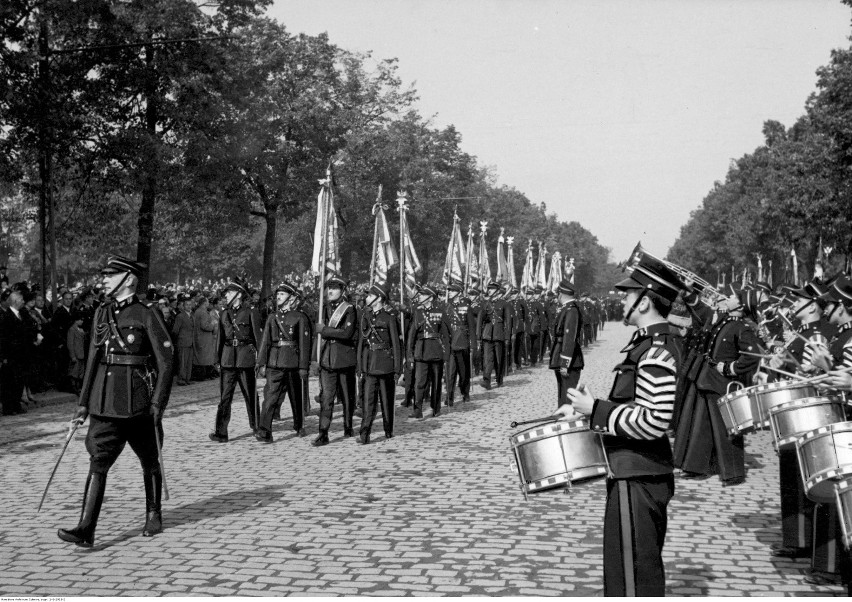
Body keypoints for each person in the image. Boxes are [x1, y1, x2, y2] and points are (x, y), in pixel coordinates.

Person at [556, 254, 683, 596]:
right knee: (628, 569)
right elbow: (635, 407)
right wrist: (586, 410)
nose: (623, 300)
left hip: (639, 476)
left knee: (633, 575)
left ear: (645, 301)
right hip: (632, 471)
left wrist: (596, 409)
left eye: (629, 295)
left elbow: (655, 420)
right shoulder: (647, 345)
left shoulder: (655, 351)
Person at [57, 255, 174, 547]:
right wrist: (83, 404)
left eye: (111, 275)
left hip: (138, 404)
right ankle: (86, 528)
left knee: (149, 459)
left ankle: (153, 513)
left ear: (129, 279)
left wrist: (158, 403)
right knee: (98, 461)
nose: (104, 280)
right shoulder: (102, 313)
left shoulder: (147, 313)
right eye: (105, 275)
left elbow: (167, 361)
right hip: (105, 402)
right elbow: (94, 360)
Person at [672, 286, 760, 485]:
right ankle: (698, 467)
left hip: (721, 382)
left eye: (732, 296)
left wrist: (730, 368)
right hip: (707, 378)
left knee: (724, 430)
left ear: (741, 304)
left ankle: (732, 472)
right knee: (701, 426)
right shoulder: (725, 320)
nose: (727, 298)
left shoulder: (742, 328)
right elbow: (703, 314)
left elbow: (752, 356)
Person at [255, 282, 311, 443]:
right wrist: (261, 363)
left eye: (282, 294)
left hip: (293, 362)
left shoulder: (300, 317)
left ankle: (299, 425)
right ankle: (265, 431)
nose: (278, 297)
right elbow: (265, 340)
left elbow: (304, 344)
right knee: (270, 397)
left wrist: (303, 366)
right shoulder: (273, 317)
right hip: (275, 362)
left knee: (295, 397)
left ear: (291, 298)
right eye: (278, 294)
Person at [209, 277, 262, 443]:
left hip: (245, 358)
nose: (226, 295)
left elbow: (258, 338)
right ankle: (221, 432)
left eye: (230, 292)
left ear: (238, 294)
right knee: (225, 397)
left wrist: (260, 361)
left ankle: (257, 427)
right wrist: (217, 359)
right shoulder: (225, 313)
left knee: (250, 395)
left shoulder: (250, 312)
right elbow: (220, 338)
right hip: (227, 359)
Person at [313, 276, 358, 446]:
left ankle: (348, 426)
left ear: (343, 291)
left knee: (347, 396)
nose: (330, 291)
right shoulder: (323, 309)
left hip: (344, 357)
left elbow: (346, 334)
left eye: (334, 288)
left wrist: (325, 330)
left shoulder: (350, 310)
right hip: (327, 359)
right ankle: (323, 432)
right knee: (326, 398)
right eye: (328, 288)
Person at [357, 282, 401, 443]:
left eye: (369, 295)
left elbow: (396, 344)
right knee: (368, 402)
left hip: (385, 364)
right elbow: (361, 343)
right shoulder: (366, 317)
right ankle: (364, 433)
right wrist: (359, 365)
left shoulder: (389, 318)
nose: (367, 298)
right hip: (369, 364)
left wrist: (397, 368)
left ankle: (388, 429)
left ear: (379, 298)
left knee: (387, 400)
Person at [408, 285, 449, 419]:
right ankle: (417, 409)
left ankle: (436, 408)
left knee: (436, 382)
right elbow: (411, 335)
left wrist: (447, 354)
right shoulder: (417, 312)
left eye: (423, 294)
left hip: (436, 351)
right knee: (419, 382)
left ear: (430, 297)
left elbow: (445, 335)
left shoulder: (440, 312)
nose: (420, 296)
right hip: (421, 351)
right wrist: (410, 354)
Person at [550, 279, 583, 407]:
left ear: (561, 294)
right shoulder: (567, 308)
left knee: (568, 393)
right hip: (561, 353)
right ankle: (562, 417)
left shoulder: (571, 310)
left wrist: (565, 363)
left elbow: (569, 337)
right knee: (562, 392)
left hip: (570, 359)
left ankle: (567, 421)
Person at [445, 281, 475, 406]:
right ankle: (449, 396)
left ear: (458, 292)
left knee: (463, 372)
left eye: (452, 290)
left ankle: (465, 392)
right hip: (451, 342)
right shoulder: (446, 306)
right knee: (450, 372)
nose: (449, 292)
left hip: (463, 342)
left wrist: (473, 344)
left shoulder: (466, 306)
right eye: (449, 290)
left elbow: (472, 327)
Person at [477, 282, 510, 390]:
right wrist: (478, 336)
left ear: (496, 291)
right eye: (489, 289)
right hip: (487, 335)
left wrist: (507, 337)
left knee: (499, 359)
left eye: (491, 289)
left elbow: (508, 322)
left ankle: (499, 379)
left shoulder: (504, 304)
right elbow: (480, 320)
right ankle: (487, 381)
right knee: (487, 359)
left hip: (499, 334)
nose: (489, 291)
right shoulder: (485, 303)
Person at [171, 293, 194, 386]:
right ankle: (181, 379)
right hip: (183, 342)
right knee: (183, 362)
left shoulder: (192, 315)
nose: (189, 306)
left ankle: (187, 379)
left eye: (190, 304)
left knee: (189, 362)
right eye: (187, 305)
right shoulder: (180, 316)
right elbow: (175, 330)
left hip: (191, 342)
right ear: (183, 306)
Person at [192, 296, 217, 380]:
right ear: (204, 303)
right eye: (207, 302)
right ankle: (203, 375)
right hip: (204, 338)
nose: (209, 303)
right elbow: (204, 326)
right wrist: (213, 326)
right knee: (205, 357)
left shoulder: (197, 311)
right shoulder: (203, 312)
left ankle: (202, 375)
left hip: (200, 337)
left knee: (201, 357)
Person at [66, 308, 87, 394]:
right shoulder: (72, 329)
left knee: (80, 372)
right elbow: (70, 343)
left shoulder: (81, 330)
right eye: (80, 320)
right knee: (74, 372)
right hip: (76, 354)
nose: (82, 321)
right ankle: (74, 387)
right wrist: (72, 356)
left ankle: (78, 387)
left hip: (81, 354)